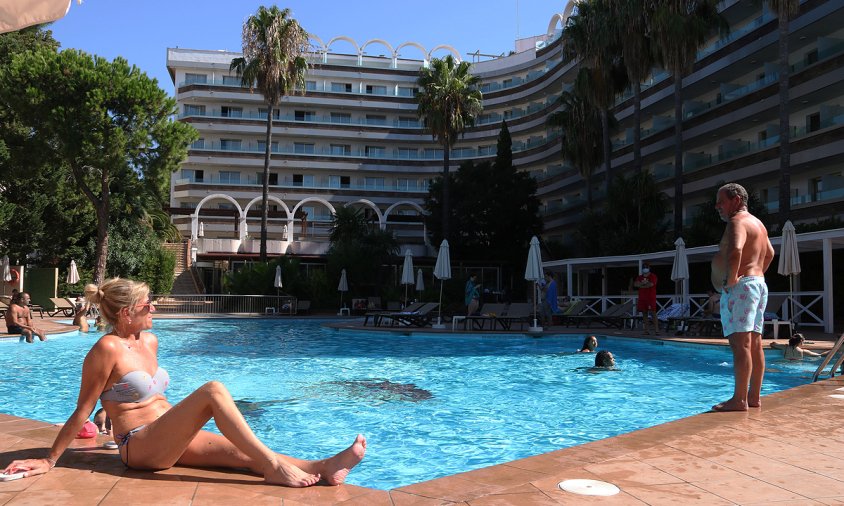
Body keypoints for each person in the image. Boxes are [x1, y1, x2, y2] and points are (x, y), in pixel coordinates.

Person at [2, 278, 366, 486]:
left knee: (243, 453)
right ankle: (276, 470)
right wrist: (50, 459)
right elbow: (83, 408)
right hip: (139, 446)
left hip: (167, 432)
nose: (154, 309)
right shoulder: (106, 348)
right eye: (148, 305)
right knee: (213, 390)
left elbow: (145, 396)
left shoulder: (150, 341)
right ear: (127, 313)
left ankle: (323, 466)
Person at [710, 183, 775, 412]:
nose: (717, 206)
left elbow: (736, 249)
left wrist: (731, 279)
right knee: (755, 344)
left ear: (736, 200)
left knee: (740, 345)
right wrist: (757, 273)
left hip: (742, 286)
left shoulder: (736, 221)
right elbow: (770, 253)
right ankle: (753, 396)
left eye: (721, 201)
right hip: (758, 284)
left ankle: (739, 400)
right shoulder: (758, 223)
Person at [633, 262, 659, 335]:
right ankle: (646, 330)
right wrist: (644, 284)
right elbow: (635, 284)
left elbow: (651, 284)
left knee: (653, 313)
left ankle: (657, 330)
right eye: (644, 267)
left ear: (649, 268)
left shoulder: (653, 276)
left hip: (650, 298)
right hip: (642, 298)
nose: (645, 268)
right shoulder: (640, 277)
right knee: (644, 314)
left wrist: (641, 285)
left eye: (646, 267)